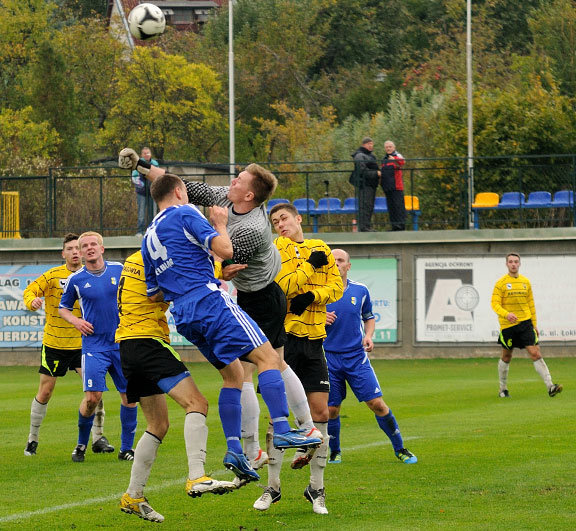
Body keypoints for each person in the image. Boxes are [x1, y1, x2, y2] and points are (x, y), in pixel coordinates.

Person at [120, 148, 320, 481]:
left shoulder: (252, 228)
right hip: (214, 300)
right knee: (271, 361)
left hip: (246, 298)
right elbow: (223, 251)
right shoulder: (208, 208)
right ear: (180, 195)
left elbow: (155, 290)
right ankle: (287, 430)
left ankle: (238, 450)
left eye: (239, 178)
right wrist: (144, 168)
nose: (231, 178)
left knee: (235, 376)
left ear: (249, 194)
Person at [117, 250, 234, 523]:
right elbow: (160, 292)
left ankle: (133, 496)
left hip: (128, 346)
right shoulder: (154, 258)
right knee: (197, 404)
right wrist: (215, 271)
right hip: (148, 342)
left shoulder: (137, 258)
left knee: (158, 425)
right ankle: (197, 476)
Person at [260, 203, 343, 514]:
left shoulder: (320, 246)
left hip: (314, 340)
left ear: (298, 219)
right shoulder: (275, 248)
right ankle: (272, 487)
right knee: (275, 415)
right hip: (283, 340)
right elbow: (281, 285)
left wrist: (313, 295)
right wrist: (309, 269)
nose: (281, 225)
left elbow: (336, 285)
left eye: (284, 219)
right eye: (275, 221)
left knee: (321, 412)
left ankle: (316, 489)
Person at [21, 233, 113, 458]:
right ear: (64, 253)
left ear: (82, 252)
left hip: (84, 345)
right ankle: (33, 438)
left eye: (77, 248)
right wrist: (32, 302)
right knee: (46, 391)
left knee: (95, 391)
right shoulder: (53, 276)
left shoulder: (92, 274)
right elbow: (29, 291)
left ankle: (98, 437)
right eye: (69, 249)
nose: (74, 252)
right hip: (55, 343)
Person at [324, 249, 417, 465]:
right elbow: (303, 317)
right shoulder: (319, 292)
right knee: (331, 409)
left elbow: (369, 317)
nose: (336, 264)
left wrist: (368, 335)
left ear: (348, 266)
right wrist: (319, 317)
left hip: (356, 357)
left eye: (340, 261)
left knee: (377, 404)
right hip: (328, 358)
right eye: (333, 260)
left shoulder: (360, 290)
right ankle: (335, 451)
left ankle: (400, 448)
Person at [59, 231, 138, 462]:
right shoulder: (76, 279)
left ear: (102, 249)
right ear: (80, 252)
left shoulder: (119, 269)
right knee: (92, 398)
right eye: (85, 246)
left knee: (129, 397)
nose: (90, 248)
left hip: (121, 343)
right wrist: (76, 321)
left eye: (94, 244)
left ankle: (126, 449)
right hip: (94, 346)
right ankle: (82, 444)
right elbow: (63, 308)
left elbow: (136, 294)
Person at [492, 253, 562, 398]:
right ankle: (503, 389)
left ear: (519, 264)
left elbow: (530, 304)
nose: (513, 264)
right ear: (506, 264)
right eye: (510, 261)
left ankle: (550, 386)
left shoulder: (526, 282)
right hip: (508, 326)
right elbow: (495, 304)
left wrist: (534, 324)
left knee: (536, 353)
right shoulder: (501, 283)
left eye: (516, 262)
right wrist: (507, 314)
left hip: (525, 324)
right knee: (506, 357)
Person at [350, 137, 381, 232]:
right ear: (364, 145)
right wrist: (376, 174)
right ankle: (364, 227)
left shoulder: (369, 155)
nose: (371, 146)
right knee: (365, 206)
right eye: (369, 144)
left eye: (372, 144)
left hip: (371, 185)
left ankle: (367, 226)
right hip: (364, 185)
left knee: (369, 206)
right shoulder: (360, 156)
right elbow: (362, 171)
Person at [131, 147, 159, 236]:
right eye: (144, 153)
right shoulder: (138, 163)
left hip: (153, 191)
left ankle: (153, 231)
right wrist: (141, 186)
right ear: (141, 155)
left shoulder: (155, 164)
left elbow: (157, 176)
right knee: (141, 212)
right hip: (141, 192)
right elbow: (134, 177)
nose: (146, 155)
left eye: (148, 153)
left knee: (153, 212)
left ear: (150, 154)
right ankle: (140, 231)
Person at [381, 141, 406, 231]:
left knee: (398, 206)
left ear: (394, 147)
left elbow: (403, 162)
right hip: (388, 187)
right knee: (391, 207)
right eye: (387, 147)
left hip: (397, 186)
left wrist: (394, 160)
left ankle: (401, 226)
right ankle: (394, 226)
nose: (388, 148)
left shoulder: (397, 155)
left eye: (390, 147)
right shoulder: (384, 159)